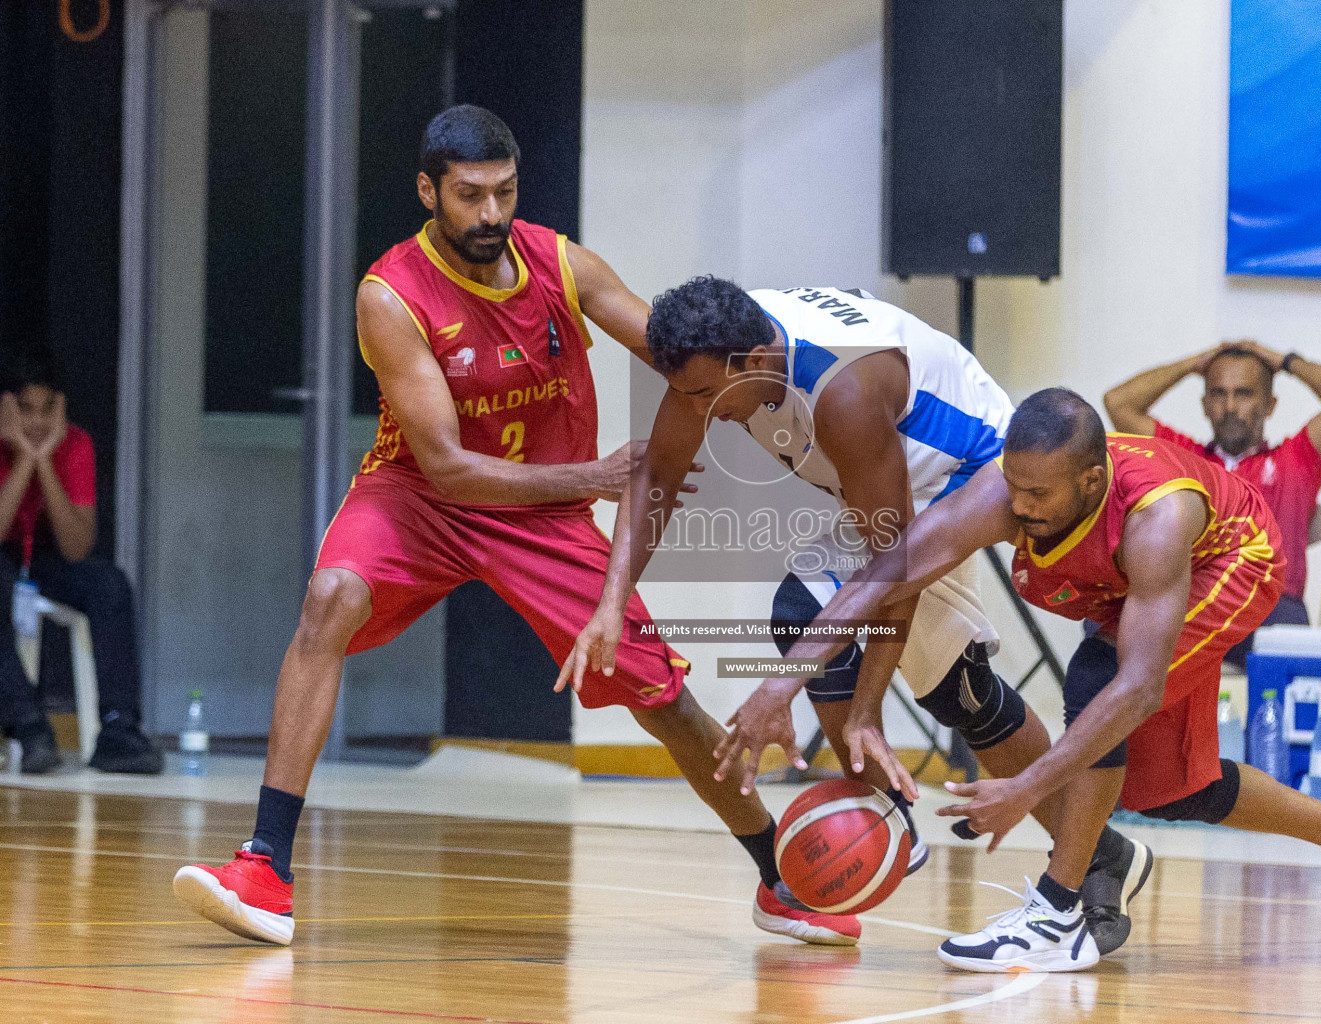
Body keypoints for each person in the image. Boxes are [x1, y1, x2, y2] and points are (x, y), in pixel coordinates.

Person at [172, 105, 844, 949]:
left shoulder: (561, 264)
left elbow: (684, 360)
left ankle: (781, 877)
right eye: (469, 196)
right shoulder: (391, 296)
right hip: (422, 498)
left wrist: (799, 417)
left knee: (661, 697)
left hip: (543, 520)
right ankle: (264, 865)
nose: (491, 214)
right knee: (330, 598)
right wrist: (595, 476)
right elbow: (449, 466)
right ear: (429, 192)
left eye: (505, 192)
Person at [734, 388, 1321, 972]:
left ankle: (1059, 910)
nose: (1021, 506)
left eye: (1039, 493)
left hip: (1233, 560)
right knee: (1166, 790)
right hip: (1131, 587)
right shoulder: (1004, 495)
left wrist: (1025, 788)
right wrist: (780, 684)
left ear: (1091, 483)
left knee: (1100, 680)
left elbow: (1137, 689)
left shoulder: (1157, 520)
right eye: (1013, 484)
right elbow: (891, 572)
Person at [560, 278, 1153, 953]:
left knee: (804, 611)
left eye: (704, 396)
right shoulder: (707, 356)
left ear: (755, 361)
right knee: (957, 692)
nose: (699, 411)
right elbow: (659, 478)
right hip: (898, 495)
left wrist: (860, 704)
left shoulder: (843, 394)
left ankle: (884, 816)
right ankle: (1099, 850)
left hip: (970, 472)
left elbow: (891, 563)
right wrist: (610, 606)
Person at [1104, 341, 1321, 661]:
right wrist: (1192, 363)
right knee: (1107, 628)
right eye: (1217, 393)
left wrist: (1284, 361)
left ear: (1269, 405)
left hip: (1271, 607)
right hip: (1196, 607)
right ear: (1204, 404)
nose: (1229, 406)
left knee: (1290, 642)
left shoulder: (1295, 461)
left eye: (1243, 394)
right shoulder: (1182, 458)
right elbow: (1118, 403)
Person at [0, 350, 163, 775]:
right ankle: (30, 725)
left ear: (61, 408)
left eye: (46, 409)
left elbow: (76, 548)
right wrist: (22, 459)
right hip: (3, 557)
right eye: (25, 409)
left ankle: (118, 731)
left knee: (110, 584)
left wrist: (44, 461)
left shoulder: (75, 444)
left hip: (49, 559)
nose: (36, 422)